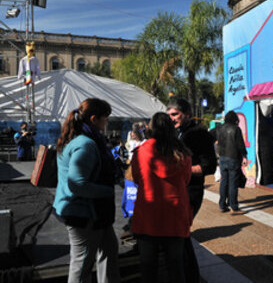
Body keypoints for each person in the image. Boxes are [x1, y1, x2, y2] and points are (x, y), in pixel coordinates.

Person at [53, 98, 120, 283]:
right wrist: (108, 191)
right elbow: (77, 184)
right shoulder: (86, 144)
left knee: (108, 251)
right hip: (84, 214)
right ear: (93, 119)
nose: (107, 122)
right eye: (105, 118)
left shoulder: (78, 138)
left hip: (94, 214)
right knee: (81, 266)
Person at [131, 112, 192, 283]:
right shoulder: (183, 153)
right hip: (175, 215)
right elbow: (186, 180)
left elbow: (136, 178)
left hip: (148, 214)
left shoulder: (140, 152)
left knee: (148, 267)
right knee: (175, 266)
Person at [167, 98, 217, 283]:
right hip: (177, 191)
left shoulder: (199, 134)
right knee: (180, 236)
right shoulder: (176, 133)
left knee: (181, 235)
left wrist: (179, 169)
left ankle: (189, 276)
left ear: (187, 114)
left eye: (175, 115)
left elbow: (209, 167)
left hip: (191, 191)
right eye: (169, 115)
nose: (171, 119)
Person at [217, 111, 247, 212]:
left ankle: (222, 204)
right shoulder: (236, 129)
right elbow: (240, 144)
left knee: (224, 182)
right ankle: (233, 205)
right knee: (233, 183)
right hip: (233, 158)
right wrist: (244, 155)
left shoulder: (220, 128)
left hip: (222, 158)